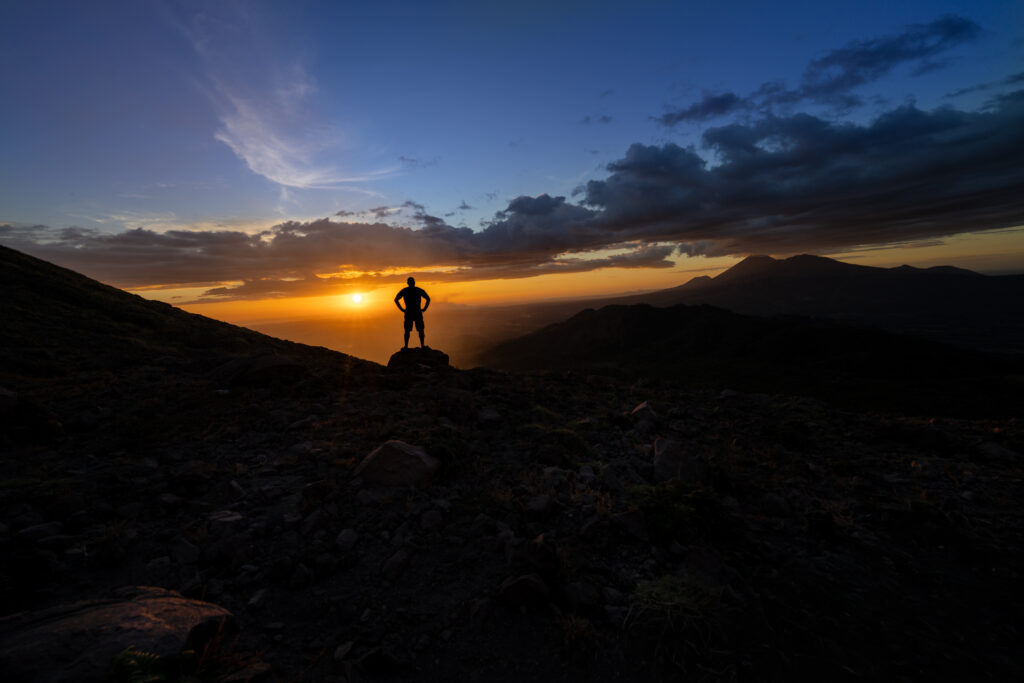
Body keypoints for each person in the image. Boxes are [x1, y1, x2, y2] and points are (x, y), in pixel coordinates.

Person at [394, 276, 431, 348]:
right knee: (420, 330)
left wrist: (402, 309)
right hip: (417, 312)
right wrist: (424, 309)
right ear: (414, 282)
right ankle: (422, 346)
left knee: (407, 331)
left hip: (408, 312)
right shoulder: (419, 290)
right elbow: (428, 299)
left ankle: (406, 346)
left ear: (408, 283)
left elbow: (396, 300)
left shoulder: (404, 291)